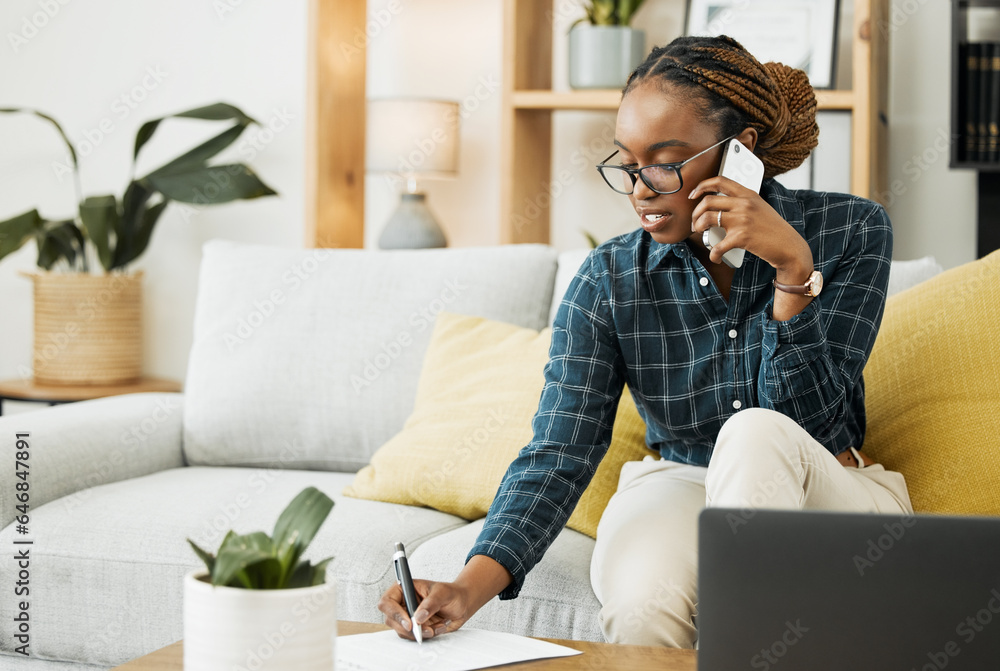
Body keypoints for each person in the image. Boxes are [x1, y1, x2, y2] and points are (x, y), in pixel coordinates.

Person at [377, 34, 913, 649]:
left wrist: (793, 270)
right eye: (629, 164)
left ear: (739, 153)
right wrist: (467, 587)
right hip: (682, 481)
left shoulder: (849, 230)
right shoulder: (610, 279)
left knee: (756, 431)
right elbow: (561, 451)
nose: (640, 188)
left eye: (664, 161)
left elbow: (807, 422)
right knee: (641, 605)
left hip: (827, 489)